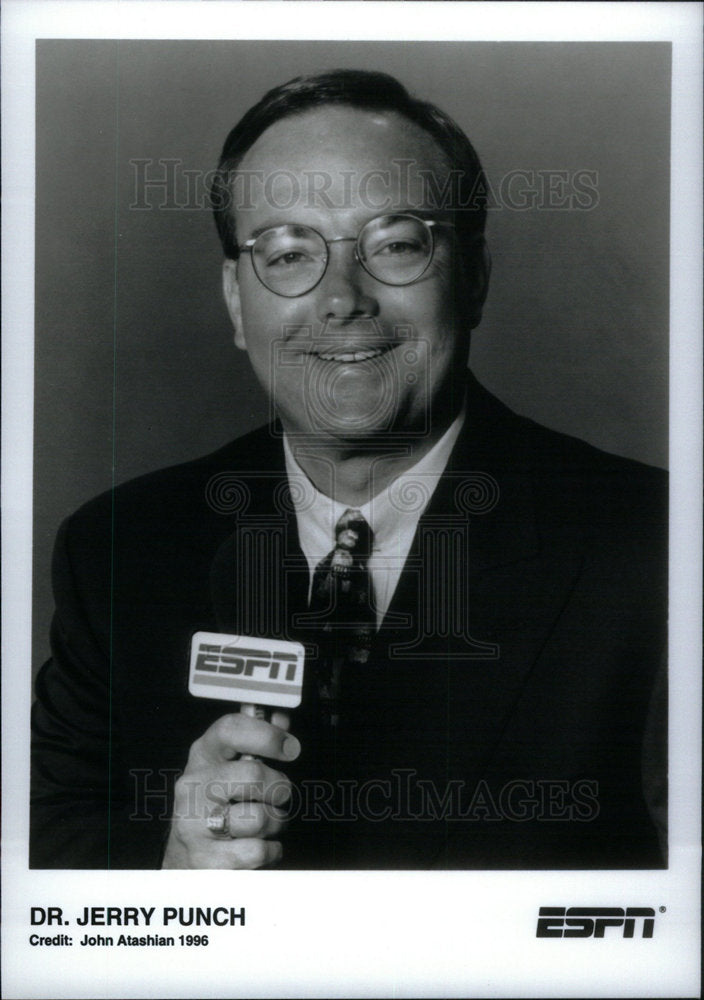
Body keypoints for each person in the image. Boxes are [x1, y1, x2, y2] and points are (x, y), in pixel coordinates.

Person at [31, 69, 667, 870]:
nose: (342, 300)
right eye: (289, 253)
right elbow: (42, 856)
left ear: (473, 275)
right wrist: (169, 874)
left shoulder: (657, 547)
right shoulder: (119, 549)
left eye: (395, 244)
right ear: (236, 300)